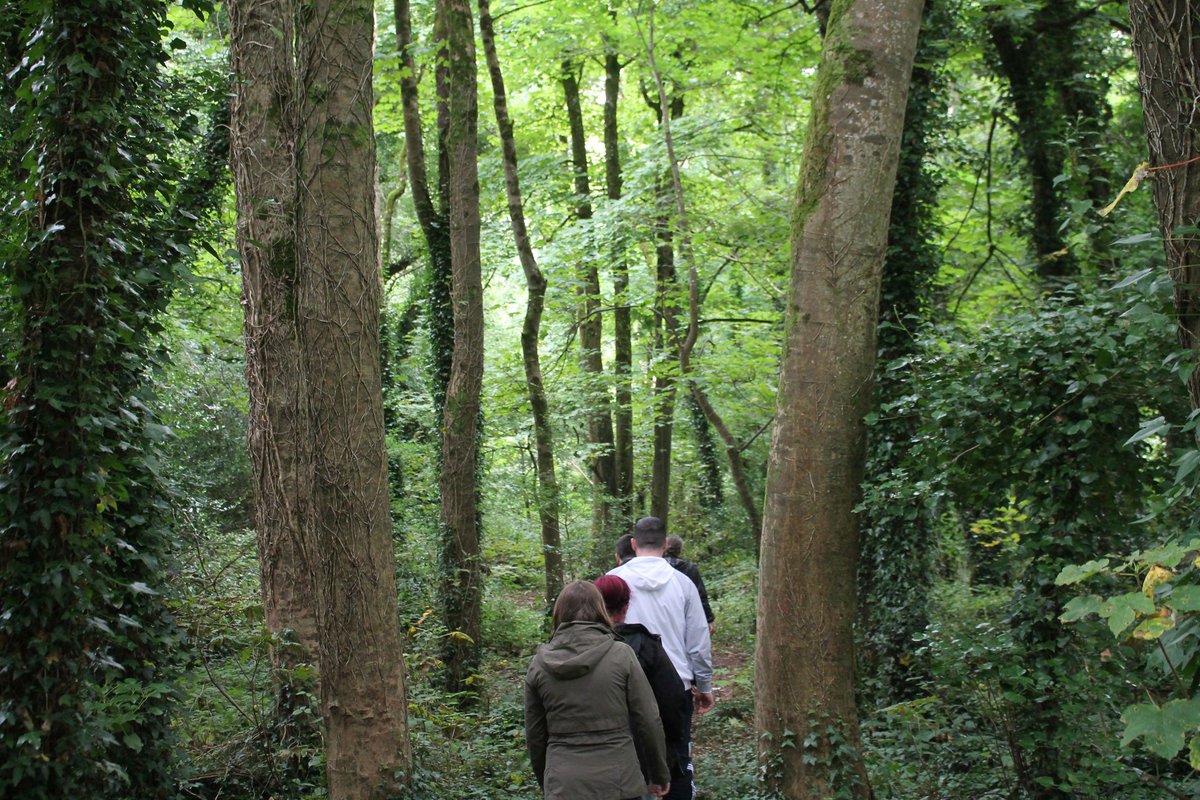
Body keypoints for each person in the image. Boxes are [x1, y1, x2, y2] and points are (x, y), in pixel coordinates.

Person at [525, 580, 671, 800]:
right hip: (620, 781)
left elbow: (535, 736)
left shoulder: (539, 664)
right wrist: (659, 773)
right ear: (600, 610)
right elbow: (649, 719)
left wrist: (548, 782)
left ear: (559, 613)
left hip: (564, 783)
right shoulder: (622, 655)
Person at [607, 517, 714, 800]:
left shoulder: (613, 581)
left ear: (633, 544)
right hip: (675, 685)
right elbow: (698, 641)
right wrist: (704, 686)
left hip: (624, 684)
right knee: (677, 758)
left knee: (630, 755)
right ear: (666, 544)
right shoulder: (683, 583)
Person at [594, 575, 690, 796]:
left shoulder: (570, 649)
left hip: (580, 766)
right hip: (637, 759)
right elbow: (671, 700)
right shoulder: (645, 646)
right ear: (626, 605)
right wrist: (670, 751)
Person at [664, 535, 715, 635]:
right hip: (685, 615)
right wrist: (709, 619)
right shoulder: (689, 569)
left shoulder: (656, 567)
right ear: (680, 550)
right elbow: (701, 595)